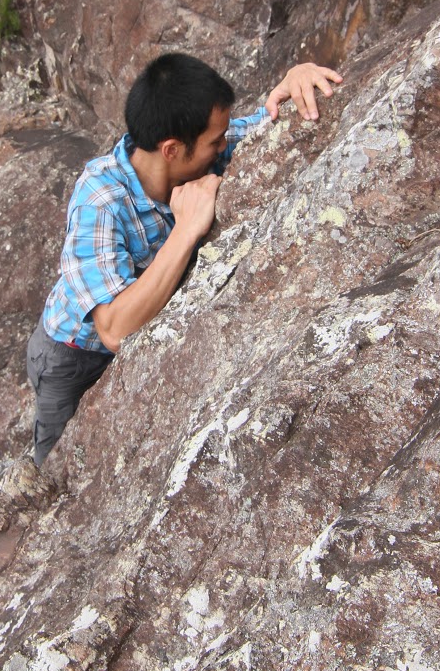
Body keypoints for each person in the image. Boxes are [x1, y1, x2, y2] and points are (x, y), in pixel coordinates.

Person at [26, 53, 343, 466]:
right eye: (215, 141)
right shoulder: (100, 199)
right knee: (58, 468)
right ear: (173, 149)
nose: (223, 146)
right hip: (72, 355)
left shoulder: (200, 149)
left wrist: (296, 76)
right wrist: (186, 229)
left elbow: (266, 124)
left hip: (135, 335)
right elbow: (115, 329)